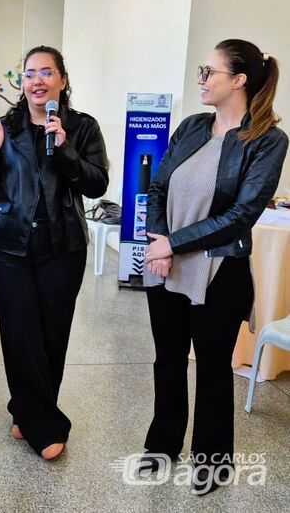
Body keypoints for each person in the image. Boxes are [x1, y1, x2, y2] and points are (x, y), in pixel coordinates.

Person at [142, 39, 288, 495]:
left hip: (219, 271)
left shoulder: (266, 141)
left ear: (239, 80)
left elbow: (241, 216)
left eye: (210, 71)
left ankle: (212, 460)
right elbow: (157, 188)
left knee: (211, 366)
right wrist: (158, 241)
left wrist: (172, 244)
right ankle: (163, 445)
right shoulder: (190, 127)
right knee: (167, 361)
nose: (202, 79)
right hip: (166, 267)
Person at [0, 46, 108, 460]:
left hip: (63, 249)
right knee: (20, 336)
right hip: (7, 247)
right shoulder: (4, 126)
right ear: (23, 82)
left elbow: (97, 184)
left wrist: (65, 149)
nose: (38, 80)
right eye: (30, 73)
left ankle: (24, 411)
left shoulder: (82, 127)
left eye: (47, 72)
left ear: (62, 80)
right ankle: (45, 427)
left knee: (52, 337)